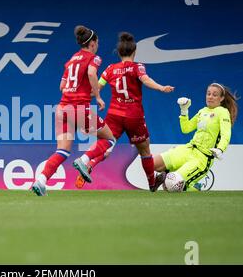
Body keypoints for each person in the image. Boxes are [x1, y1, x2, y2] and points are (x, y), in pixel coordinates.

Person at [74, 32, 175, 191]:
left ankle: (89, 164)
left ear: (119, 53)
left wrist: (78, 93)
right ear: (134, 52)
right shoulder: (138, 67)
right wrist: (161, 87)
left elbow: (96, 89)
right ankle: (151, 183)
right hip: (133, 115)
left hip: (114, 115)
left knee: (106, 145)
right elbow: (146, 80)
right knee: (144, 150)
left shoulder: (110, 69)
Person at [31, 25, 117, 196]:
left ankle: (41, 180)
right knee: (109, 139)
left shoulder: (71, 60)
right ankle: (84, 160)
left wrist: (80, 92)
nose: (97, 45)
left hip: (62, 109)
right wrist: (98, 96)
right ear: (92, 43)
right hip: (79, 109)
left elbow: (62, 86)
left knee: (62, 151)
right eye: (97, 42)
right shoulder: (94, 58)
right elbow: (92, 74)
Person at [151, 82, 238, 192]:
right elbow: (186, 129)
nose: (210, 96)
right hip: (189, 149)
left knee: (170, 186)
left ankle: (194, 187)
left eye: (215, 95)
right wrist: (184, 110)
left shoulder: (223, 112)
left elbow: (226, 134)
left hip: (202, 158)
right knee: (152, 164)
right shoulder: (202, 111)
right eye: (208, 93)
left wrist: (220, 149)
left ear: (221, 98)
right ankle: (167, 174)